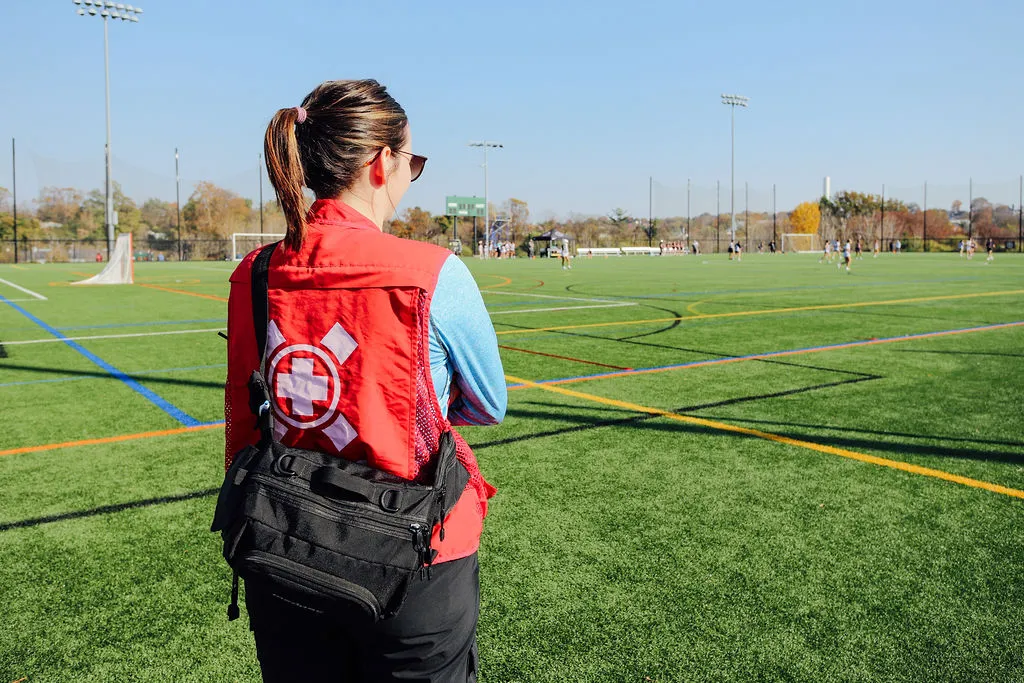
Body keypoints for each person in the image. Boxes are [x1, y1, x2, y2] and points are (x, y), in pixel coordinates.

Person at [225, 79, 507, 682]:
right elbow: (488, 404)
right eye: (414, 161)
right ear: (383, 164)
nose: (412, 172)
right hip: (414, 549)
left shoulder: (255, 272)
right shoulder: (433, 271)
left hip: (283, 540)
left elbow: (247, 415)